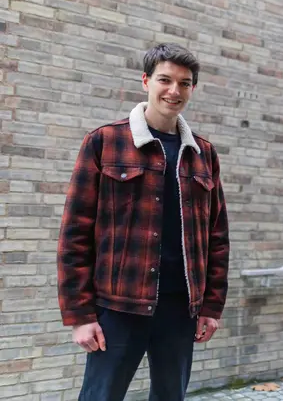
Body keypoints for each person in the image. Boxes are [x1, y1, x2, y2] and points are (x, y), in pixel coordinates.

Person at [57, 43, 230, 401]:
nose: (174, 90)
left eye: (185, 83)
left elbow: (217, 236)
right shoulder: (105, 142)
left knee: (171, 396)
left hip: (181, 308)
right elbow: (75, 235)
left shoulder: (204, 153)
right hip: (118, 306)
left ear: (192, 89)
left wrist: (211, 306)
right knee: (100, 396)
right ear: (146, 81)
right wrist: (80, 315)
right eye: (165, 80)